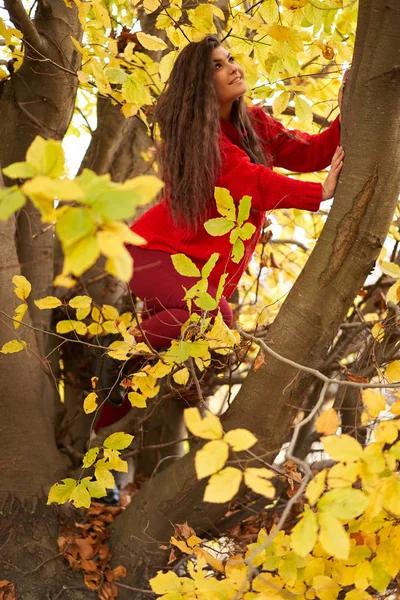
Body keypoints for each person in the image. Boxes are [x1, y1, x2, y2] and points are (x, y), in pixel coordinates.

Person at [95, 35, 343, 425]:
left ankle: (95, 431)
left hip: (194, 271)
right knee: (214, 317)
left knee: (137, 377)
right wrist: (320, 192)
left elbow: (309, 151)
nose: (232, 67)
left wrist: (349, 112)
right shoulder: (198, 138)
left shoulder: (253, 122)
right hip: (153, 255)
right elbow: (249, 180)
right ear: (198, 83)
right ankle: (117, 349)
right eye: (217, 65)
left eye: (230, 58)